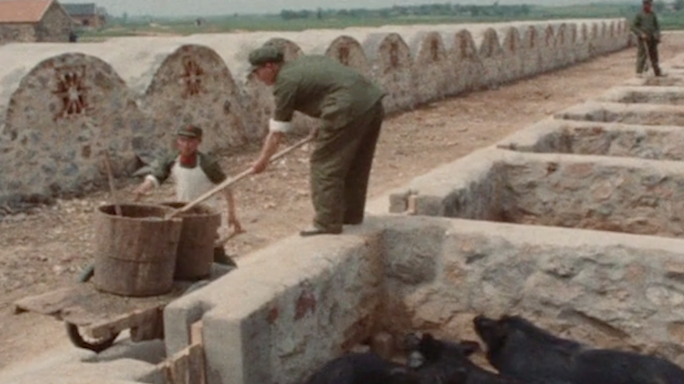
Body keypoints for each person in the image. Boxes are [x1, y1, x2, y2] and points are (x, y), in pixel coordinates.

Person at [247, 45, 386, 237]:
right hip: (372, 103)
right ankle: (350, 215)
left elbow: (277, 132)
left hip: (346, 109)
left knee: (324, 164)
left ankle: (327, 222)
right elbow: (331, 87)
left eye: (257, 71)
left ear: (270, 66)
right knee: (356, 162)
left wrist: (263, 161)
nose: (257, 77)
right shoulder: (305, 63)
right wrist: (324, 123)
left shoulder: (285, 82)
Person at [133, 124, 243, 265]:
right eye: (183, 140)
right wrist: (143, 188)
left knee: (213, 250)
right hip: (183, 212)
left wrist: (232, 214)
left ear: (198, 142)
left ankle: (231, 274)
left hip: (205, 215)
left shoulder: (208, 164)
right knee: (185, 250)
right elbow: (158, 176)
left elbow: (227, 186)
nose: (186, 145)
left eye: (191, 141)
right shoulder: (172, 160)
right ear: (178, 141)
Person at [631, 0, 663, 77]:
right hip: (643, 39)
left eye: (650, 5)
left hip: (653, 39)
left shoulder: (652, 15)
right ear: (644, 5)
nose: (649, 6)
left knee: (654, 55)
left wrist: (657, 35)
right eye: (647, 4)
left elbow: (656, 27)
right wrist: (641, 34)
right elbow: (633, 27)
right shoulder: (639, 15)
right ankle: (639, 72)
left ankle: (656, 71)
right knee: (642, 55)